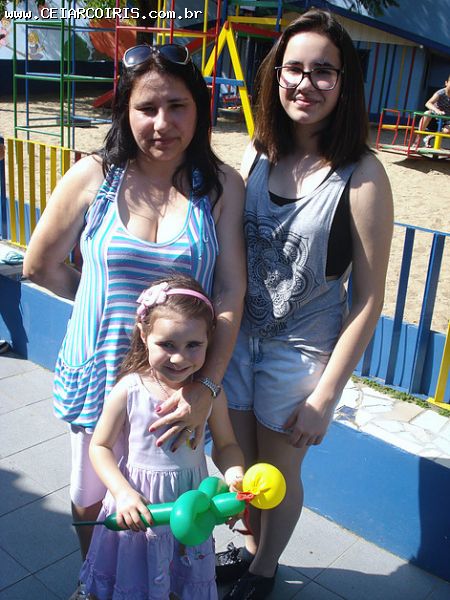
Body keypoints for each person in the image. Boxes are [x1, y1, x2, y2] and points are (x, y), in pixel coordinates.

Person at [22, 42, 246, 598]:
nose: (162, 123)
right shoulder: (94, 175)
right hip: (99, 370)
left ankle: (165, 584)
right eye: (147, 107)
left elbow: (229, 289)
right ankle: (96, 582)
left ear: (198, 109)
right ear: (125, 109)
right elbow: (40, 263)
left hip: (179, 382)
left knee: (171, 493)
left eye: (177, 106)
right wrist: (99, 306)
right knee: (93, 495)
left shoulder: (220, 186)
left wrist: (207, 385)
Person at [213, 9, 393, 599]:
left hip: (300, 353)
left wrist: (324, 398)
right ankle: (250, 547)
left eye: (323, 71)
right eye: (293, 68)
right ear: (276, 75)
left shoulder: (362, 175)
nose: (305, 83)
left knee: (279, 475)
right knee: (241, 469)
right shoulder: (258, 153)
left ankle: (264, 570)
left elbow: (368, 299)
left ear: (344, 83)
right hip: (240, 341)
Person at [78, 274, 245, 599]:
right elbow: (99, 446)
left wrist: (235, 475)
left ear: (209, 339)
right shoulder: (130, 390)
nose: (179, 358)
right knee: (133, 582)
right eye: (167, 344)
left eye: (193, 345)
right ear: (144, 335)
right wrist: (122, 493)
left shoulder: (211, 396)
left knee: (179, 583)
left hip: (191, 511)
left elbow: (227, 445)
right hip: (139, 510)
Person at [418, 75, 450, 147]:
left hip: (447, 118)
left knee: (447, 131)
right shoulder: (441, 92)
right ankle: (417, 139)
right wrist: (437, 110)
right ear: (446, 83)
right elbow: (428, 103)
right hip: (435, 116)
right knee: (427, 113)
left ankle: (429, 137)